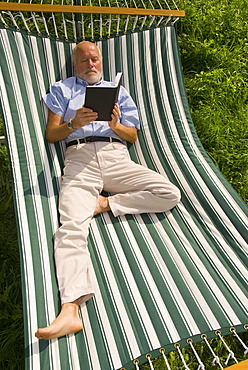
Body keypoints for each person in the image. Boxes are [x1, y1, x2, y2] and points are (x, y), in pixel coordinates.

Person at [35, 41, 180, 340]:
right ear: (75, 66)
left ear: (101, 62)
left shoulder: (118, 92)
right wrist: (74, 123)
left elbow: (133, 135)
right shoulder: (61, 90)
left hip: (117, 157)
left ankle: (105, 205)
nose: (90, 64)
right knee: (71, 226)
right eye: (84, 60)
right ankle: (70, 309)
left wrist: (115, 125)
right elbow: (52, 134)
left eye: (95, 59)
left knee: (169, 193)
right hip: (79, 158)